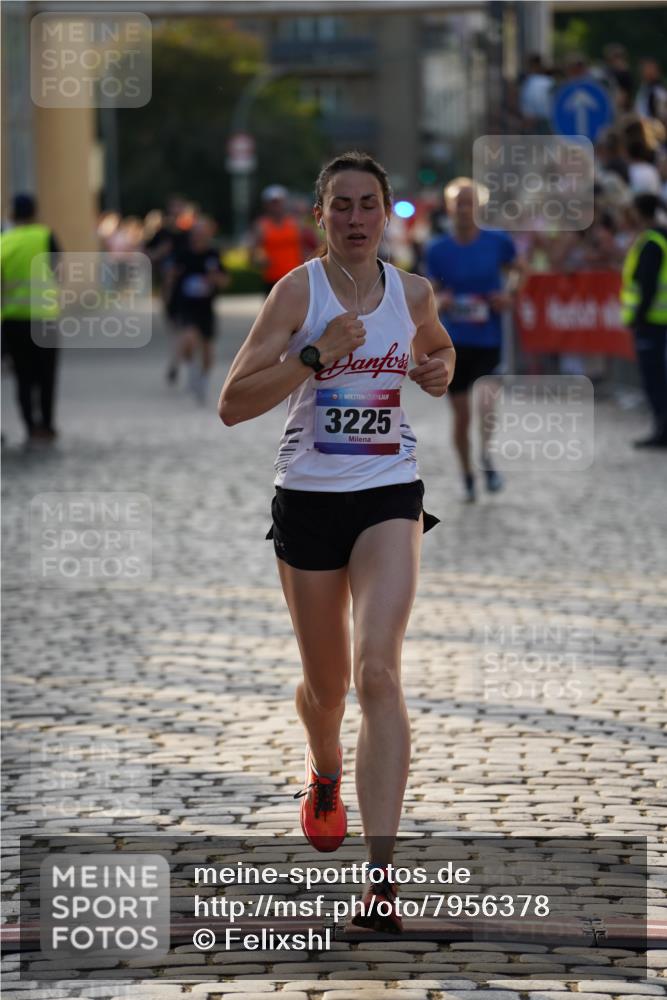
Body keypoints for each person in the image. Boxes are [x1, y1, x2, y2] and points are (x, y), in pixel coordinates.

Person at [219, 151, 455, 933]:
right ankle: (324, 769)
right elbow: (233, 403)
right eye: (340, 205)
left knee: (378, 671)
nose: (355, 219)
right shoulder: (299, 291)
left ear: (386, 214)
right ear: (319, 216)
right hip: (309, 499)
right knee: (327, 690)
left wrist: (438, 370)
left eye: (367, 205)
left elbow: (435, 344)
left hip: (388, 492)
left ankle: (380, 881)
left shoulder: (414, 290)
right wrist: (316, 354)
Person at [425, 179, 520, 502]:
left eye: (470, 203)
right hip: (453, 344)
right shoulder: (437, 249)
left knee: (486, 404)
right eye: (458, 204)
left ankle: (486, 457)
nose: (464, 210)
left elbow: (519, 270)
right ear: (449, 209)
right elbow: (428, 294)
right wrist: (441, 302)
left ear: (479, 207)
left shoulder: (497, 242)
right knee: (462, 414)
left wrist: (507, 294)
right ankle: (467, 473)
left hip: (489, 338)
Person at [0, 193, 61, 446]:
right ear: (35, 212)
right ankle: (46, 425)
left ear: (13, 214)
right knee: (46, 375)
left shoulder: (5, 240)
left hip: (13, 319)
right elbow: (59, 268)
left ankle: (29, 426)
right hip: (44, 316)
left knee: (23, 376)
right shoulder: (45, 235)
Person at [620, 193, 667, 448]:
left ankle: (662, 432)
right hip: (658, 320)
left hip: (654, 321)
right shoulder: (659, 238)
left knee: (655, 380)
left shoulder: (652, 242)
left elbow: (647, 285)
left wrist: (637, 317)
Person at [170, 216, 229, 405]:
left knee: (208, 349)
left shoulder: (213, 254)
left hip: (206, 307)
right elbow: (171, 277)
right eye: (196, 233)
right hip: (187, 306)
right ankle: (191, 372)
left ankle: (203, 380)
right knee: (188, 339)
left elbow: (225, 280)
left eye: (203, 234)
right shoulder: (183, 254)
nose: (199, 237)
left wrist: (215, 279)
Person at [251, 186, 304, 296]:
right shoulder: (261, 226)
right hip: (272, 280)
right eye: (273, 202)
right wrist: (259, 260)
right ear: (266, 205)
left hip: (295, 277)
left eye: (279, 202)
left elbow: (305, 248)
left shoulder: (295, 223)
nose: (276, 206)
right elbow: (253, 253)